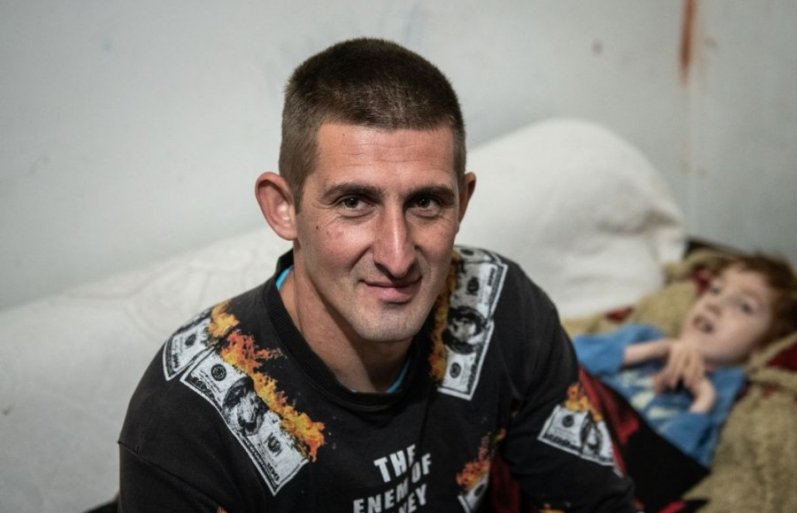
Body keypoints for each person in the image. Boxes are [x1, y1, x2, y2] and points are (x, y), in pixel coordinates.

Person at [117, 38, 637, 512]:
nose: (397, 255)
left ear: (463, 202)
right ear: (284, 209)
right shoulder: (189, 415)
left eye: (426, 202)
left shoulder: (499, 307)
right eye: (354, 202)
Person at [573, 253, 797, 467]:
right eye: (715, 289)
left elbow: (667, 470)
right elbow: (563, 359)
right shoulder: (643, 337)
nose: (714, 304)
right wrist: (648, 351)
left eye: (744, 307)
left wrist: (702, 403)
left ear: (763, 348)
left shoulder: (725, 392)